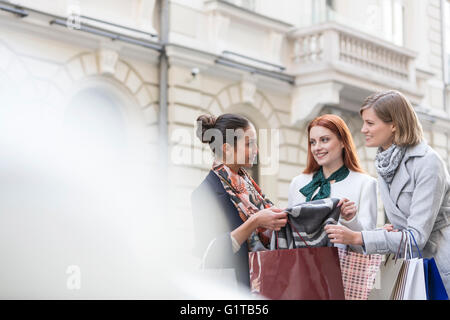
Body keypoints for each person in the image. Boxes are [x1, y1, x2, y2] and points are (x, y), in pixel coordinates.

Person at [325, 90, 450, 294]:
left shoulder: (428, 162)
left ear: (394, 124)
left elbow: (416, 239)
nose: (363, 129)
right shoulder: (386, 162)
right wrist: (381, 231)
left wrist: (358, 237)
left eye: (370, 123)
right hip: (409, 266)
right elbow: (402, 229)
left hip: (437, 267)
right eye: (364, 122)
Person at [191, 113, 287, 289]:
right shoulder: (204, 194)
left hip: (269, 284)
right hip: (236, 291)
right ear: (227, 148)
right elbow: (210, 254)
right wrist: (255, 221)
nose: (256, 150)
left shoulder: (249, 187)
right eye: (250, 144)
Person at [288, 114, 378, 252]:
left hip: (344, 270)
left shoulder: (365, 183)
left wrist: (350, 220)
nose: (317, 148)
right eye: (312, 142)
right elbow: (291, 237)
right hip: (301, 268)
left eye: (324, 140)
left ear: (343, 142)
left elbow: (367, 248)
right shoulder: (298, 183)